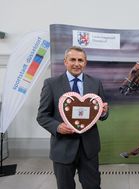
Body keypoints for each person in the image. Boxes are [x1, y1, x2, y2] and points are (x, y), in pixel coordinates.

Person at [37, 46, 109, 189]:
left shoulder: (96, 83)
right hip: (62, 148)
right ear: (65, 62)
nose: (77, 64)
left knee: (93, 186)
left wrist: (103, 112)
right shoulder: (51, 84)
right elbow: (42, 116)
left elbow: (102, 114)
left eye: (80, 60)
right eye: (73, 60)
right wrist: (57, 127)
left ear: (85, 63)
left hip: (89, 148)